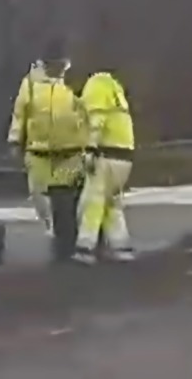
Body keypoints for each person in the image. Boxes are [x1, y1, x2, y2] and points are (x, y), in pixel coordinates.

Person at [7, 39, 88, 263]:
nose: (57, 67)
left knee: (70, 202)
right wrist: (15, 141)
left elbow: (88, 113)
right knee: (42, 200)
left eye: (60, 63)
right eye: (53, 63)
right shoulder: (31, 83)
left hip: (71, 152)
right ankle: (54, 232)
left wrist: (93, 144)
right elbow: (20, 113)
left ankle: (69, 243)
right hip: (38, 153)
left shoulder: (75, 81)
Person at [72, 69, 137, 265]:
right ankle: (121, 247)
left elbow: (96, 122)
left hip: (106, 154)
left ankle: (85, 248)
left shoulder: (96, 89)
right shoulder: (116, 96)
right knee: (112, 203)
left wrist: (90, 149)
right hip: (125, 157)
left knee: (92, 201)